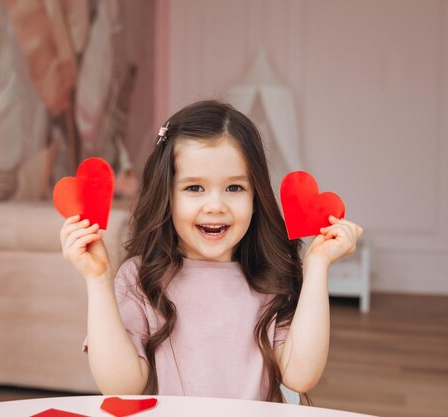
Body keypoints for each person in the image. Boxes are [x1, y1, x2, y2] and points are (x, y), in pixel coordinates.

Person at [60, 100, 363, 403]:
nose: (216, 205)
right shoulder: (139, 278)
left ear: (256, 196)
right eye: (194, 188)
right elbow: (120, 388)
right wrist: (97, 279)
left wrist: (317, 266)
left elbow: (300, 375)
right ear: (167, 195)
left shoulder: (270, 275)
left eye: (234, 188)